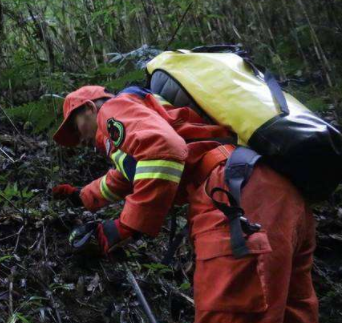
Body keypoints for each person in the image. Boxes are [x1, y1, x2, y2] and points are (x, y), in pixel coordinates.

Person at [51, 85, 317, 323]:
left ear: (89, 107)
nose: (79, 140)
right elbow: (128, 174)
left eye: (75, 127)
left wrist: (126, 226)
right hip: (274, 191)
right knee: (290, 310)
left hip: (232, 196)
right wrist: (81, 195)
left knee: (229, 311)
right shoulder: (141, 114)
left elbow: (163, 150)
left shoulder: (111, 109)